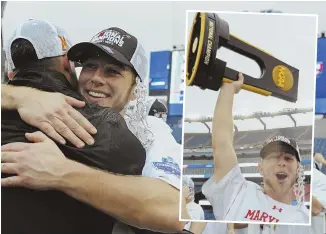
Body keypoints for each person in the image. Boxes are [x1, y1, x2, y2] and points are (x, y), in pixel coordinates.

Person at [1, 22, 186, 233]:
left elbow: (173, 212)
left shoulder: (151, 131)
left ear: (136, 89)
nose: (96, 78)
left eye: (112, 71)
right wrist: (22, 96)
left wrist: (61, 172)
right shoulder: (46, 107)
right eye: (90, 66)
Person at [201, 73, 309, 224]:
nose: (282, 163)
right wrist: (228, 89)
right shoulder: (238, 191)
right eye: (273, 157)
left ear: (298, 169)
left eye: (288, 158)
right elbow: (222, 143)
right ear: (260, 167)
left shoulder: (303, 218)